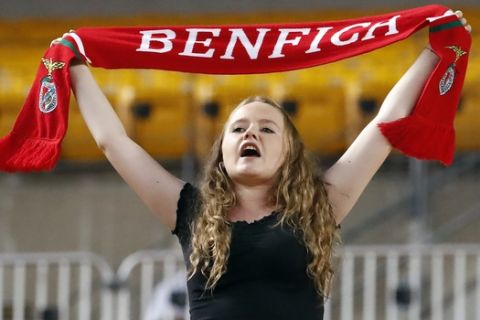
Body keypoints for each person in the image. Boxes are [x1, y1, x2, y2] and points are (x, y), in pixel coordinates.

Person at [68, 11, 471, 320]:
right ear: (221, 151)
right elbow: (113, 141)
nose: (250, 135)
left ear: (289, 153)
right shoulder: (190, 209)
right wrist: (71, 65)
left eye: (266, 129)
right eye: (238, 128)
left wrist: (435, 51)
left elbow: (387, 122)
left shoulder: (319, 205)